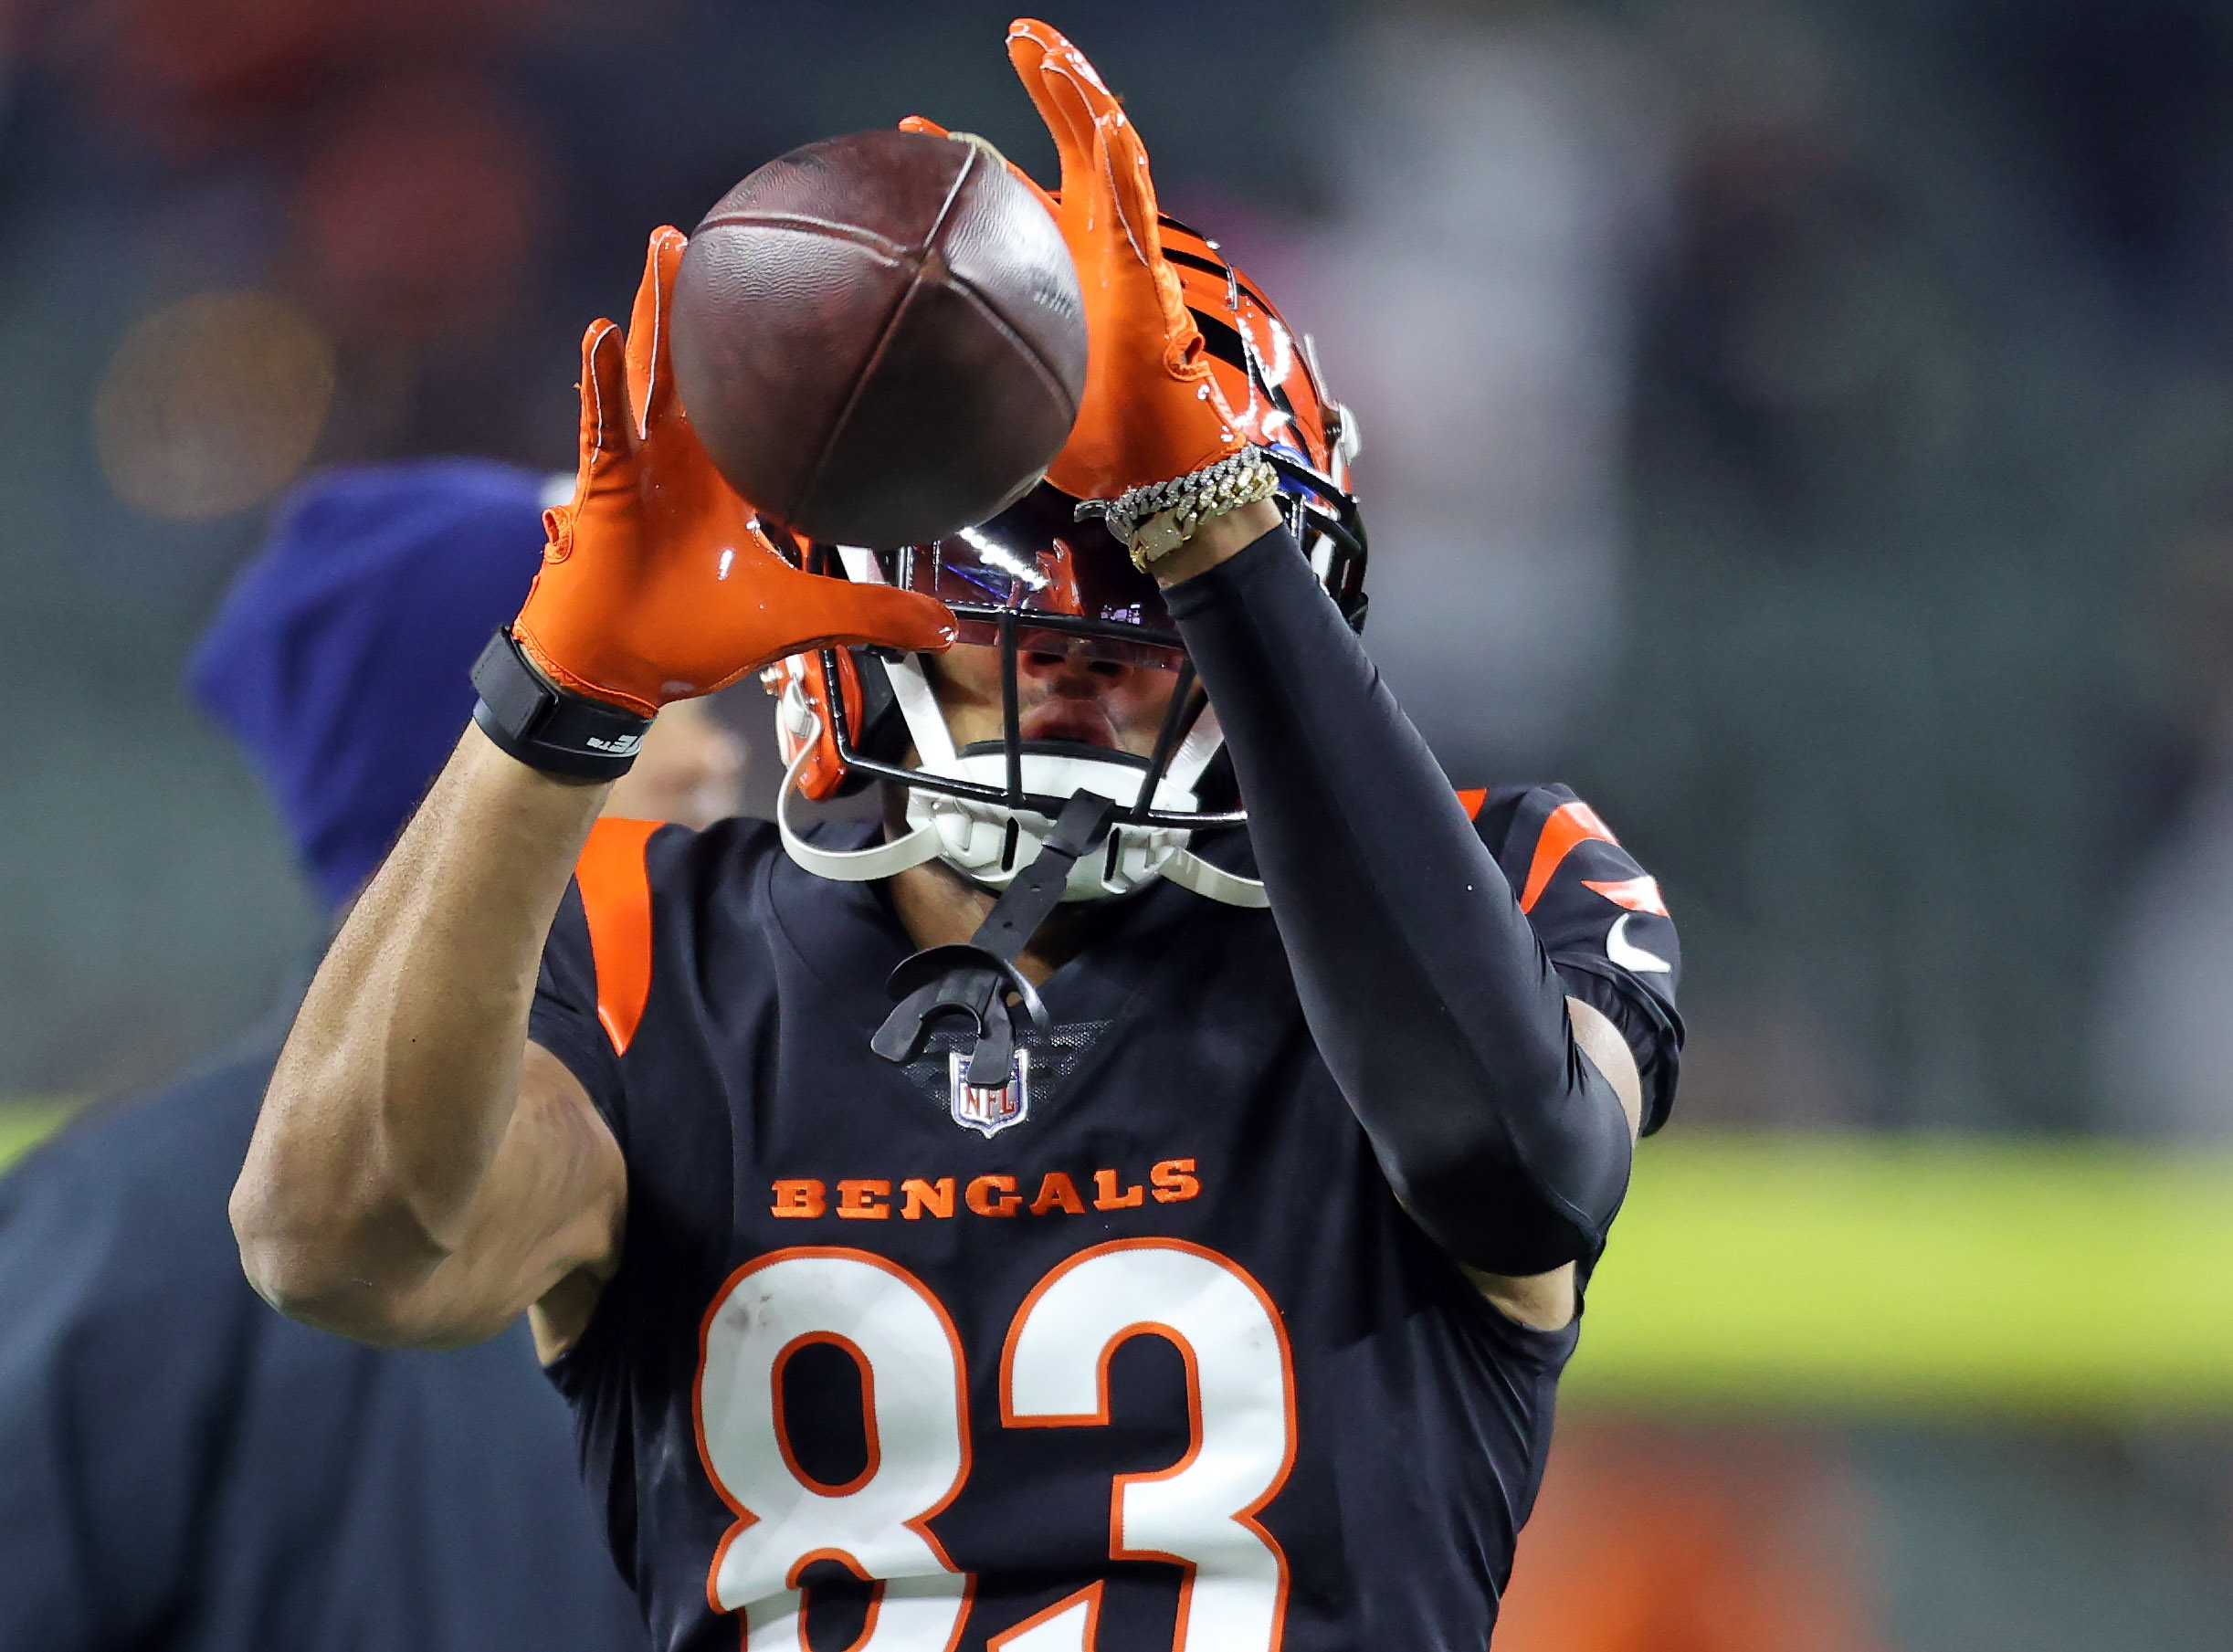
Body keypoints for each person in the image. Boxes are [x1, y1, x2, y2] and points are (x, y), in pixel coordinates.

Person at [229, 23, 1684, 1649]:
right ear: (841, 576)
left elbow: (1513, 1171)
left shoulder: (1500, 881)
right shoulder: (646, 938)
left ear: (1278, 558)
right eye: (1015, 558)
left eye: (1143, 561)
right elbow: (332, 1244)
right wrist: (561, 692)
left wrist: (1204, 518)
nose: (1076, 631)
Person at [0, 458, 739, 1652]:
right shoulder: (125, 1226)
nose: (712, 755)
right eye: (645, 689)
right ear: (473, 752)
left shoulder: (757, 1126)